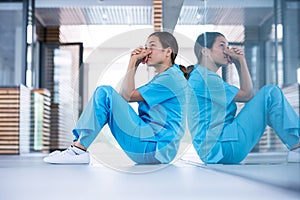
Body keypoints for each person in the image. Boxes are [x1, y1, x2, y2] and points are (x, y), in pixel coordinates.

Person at [44, 31, 187, 164]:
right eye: (146, 46)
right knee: (106, 95)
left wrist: (133, 61)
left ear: (168, 51)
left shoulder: (171, 78)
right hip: (152, 145)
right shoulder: (167, 77)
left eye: (152, 46)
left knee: (105, 93)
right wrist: (135, 64)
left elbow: (127, 95)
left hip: (153, 147)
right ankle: (77, 148)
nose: (147, 51)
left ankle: (78, 150)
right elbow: (125, 95)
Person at [186, 32, 300, 164]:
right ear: (205, 51)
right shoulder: (205, 79)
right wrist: (241, 60)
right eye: (222, 46)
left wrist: (238, 63)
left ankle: (296, 144)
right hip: (224, 147)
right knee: (270, 93)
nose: (227, 51)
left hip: (218, 149)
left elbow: (246, 94)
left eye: (227, 46)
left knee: (267, 99)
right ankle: (297, 145)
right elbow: (247, 95)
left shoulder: (199, 75)